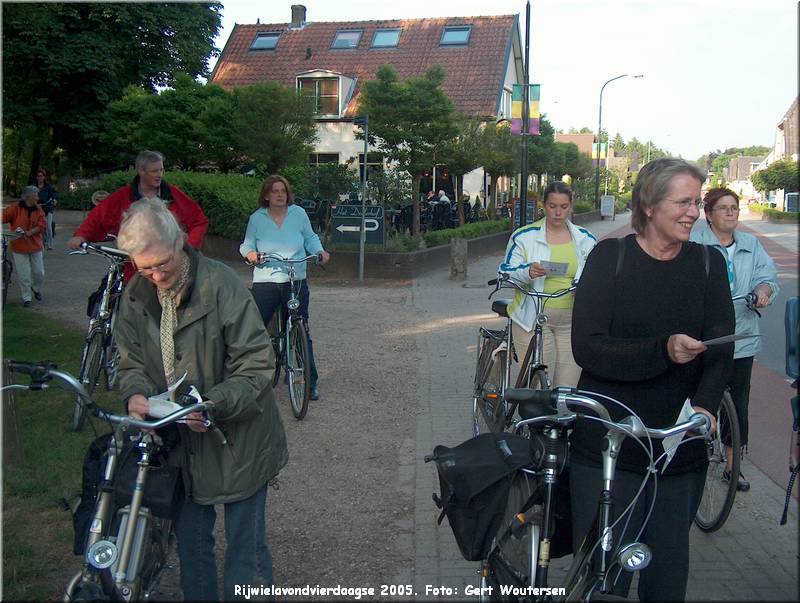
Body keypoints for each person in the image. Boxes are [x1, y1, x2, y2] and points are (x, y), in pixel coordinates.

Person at [571, 157, 734, 601]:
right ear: (648, 206)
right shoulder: (611, 258)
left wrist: (705, 404)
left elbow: (722, 349)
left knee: (666, 572)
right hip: (610, 443)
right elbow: (586, 347)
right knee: (606, 574)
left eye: (696, 202)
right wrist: (662, 349)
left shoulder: (708, 265)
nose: (693, 212)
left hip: (677, 445)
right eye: (683, 202)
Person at [114, 198, 287, 601]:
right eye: (145, 267)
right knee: (192, 546)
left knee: (246, 552)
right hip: (180, 446)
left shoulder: (220, 285)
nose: (156, 275)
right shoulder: (136, 296)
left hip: (239, 439)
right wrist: (136, 393)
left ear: (179, 243)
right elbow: (130, 360)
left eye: (163, 264)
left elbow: (257, 364)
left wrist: (212, 404)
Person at [691, 187, 779, 492]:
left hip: (741, 336)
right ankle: (689, 458)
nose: (731, 213)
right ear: (709, 214)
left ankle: (733, 465)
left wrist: (764, 292)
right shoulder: (695, 243)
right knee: (698, 398)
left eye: (735, 208)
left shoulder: (751, 245)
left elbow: (766, 277)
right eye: (724, 208)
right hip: (702, 339)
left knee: (738, 403)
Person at [240, 175, 330, 401]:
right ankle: (250, 379)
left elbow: (310, 237)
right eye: (274, 191)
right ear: (267, 195)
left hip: (295, 278)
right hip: (266, 279)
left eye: (283, 191)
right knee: (255, 328)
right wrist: (250, 254)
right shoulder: (257, 218)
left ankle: (310, 383)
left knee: (302, 327)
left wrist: (320, 252)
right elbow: (247, 244)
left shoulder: (298, 214)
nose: (279, 195)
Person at [499, 181, 596, 387]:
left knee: (567, 388)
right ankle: (533, 419)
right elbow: (505, 272)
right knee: (540, 385)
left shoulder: (585, 239)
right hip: (533, 318)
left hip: (572, 321)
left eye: (563, 207)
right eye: (553, 206)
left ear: (570, 206)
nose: (558, 213)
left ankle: (557, 419)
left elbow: (595, 276)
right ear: (544, 205)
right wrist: (528, 272)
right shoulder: (525, 236)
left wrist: (584, 287)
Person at [67, 151, 208, 281]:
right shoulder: (122, 195)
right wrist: (81, 235)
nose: (160, 174)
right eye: (154, 171)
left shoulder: (174, 195)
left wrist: (187, 248)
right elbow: (97, 217)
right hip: (134, 265)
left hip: (167, 265)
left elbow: (199, 221)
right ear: (141, 171)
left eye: (161, 170)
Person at [3, 185, 46, 307]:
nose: (38, 197)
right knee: (24, 274)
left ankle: (35, 288)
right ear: (28, 196)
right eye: (36, 194)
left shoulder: (38, 209)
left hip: (35, 245)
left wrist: (29, 233)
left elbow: (42, 225)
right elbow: (4, 216)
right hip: (19, 246)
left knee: (39, 273)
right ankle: (27, 298)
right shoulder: (15, 208)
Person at [34, 168, 57, 250]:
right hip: (36, 208)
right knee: (38, 226)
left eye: (41, 176)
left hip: (47, 208)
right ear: (36, 177)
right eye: (38, 176)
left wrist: (54, 199)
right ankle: (41, 241)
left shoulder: (48, 186)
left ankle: (49, 243)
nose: (39, 177)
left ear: (44, 177)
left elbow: (54, 194)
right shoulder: (34, 187)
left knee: (48, 226)